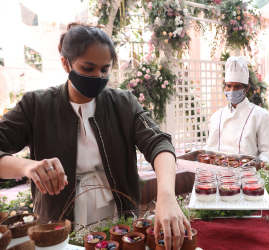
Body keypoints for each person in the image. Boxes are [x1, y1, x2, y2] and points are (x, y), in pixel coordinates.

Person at [0, 23, 191, 249]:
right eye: (88, 68)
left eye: (104, 69)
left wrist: (167, 196)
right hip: (58, 221)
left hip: (118, 215)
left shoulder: (123, 104)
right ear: (65, 63)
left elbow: (158, 142)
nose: (98, 76)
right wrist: (26, 167)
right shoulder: (35, 106)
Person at [205, 56, 269, 164]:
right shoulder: (217, 116)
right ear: (224, 86)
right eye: (229, 86)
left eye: (237, 86)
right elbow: (210, 150)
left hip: (247, 176)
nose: (232, 90)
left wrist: (256, 163)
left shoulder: (261, 116)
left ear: (247, 88)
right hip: (220, 175)